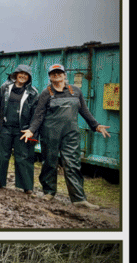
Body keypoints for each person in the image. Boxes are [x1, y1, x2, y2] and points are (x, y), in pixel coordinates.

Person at [21, 63, 110, 208]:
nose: (57, 75)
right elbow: (39, 115)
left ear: (64, 75)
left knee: (73, 164)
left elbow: (85, 111)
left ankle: (79, 199)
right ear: (50, 77)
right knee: (49, 163)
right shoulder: (46, 93)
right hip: (50, 133)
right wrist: (31, 130)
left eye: (59, 73)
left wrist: (96, 125)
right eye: (53, 73)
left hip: (71, 134)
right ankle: (49, 192)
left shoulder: (76, 91)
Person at [0, 64, 38, 192]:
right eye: (20, 73)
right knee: (0, 156)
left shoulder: (33, 93)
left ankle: (26, 187)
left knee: (23, 157)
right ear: (16, 74)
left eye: (26, 74)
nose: (23, 76)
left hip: (22, 130)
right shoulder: (4, 88)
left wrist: (33, 132)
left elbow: (36, 114)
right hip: (3, 128)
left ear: (29, 77)